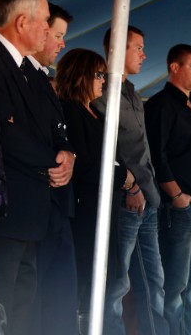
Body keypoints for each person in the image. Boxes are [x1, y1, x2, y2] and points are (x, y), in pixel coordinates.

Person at [0, 0, 76, 335]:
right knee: (1, 304)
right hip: (5, 208)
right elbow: (4, 129)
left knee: (21, 306)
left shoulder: (30, 71)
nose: (48, 31)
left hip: (30, 209)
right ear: (22, 21)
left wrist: (66, 154)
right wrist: (51, 159)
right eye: (45, 23)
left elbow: (49, 125)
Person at [92, 26, 169, 335]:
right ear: (117, 49)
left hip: (148, 197)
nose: (143, 54)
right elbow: (103, 147)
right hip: (125, 197)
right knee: (117, 281)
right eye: (137, 47)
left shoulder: (132, 92)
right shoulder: (101, 91)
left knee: (154, 280)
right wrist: (130, 185)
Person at [56, 48, 134, 333]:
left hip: (105, 208)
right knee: (84, 282)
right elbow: (87, 165)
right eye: (99, 74)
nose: (104, 80)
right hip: (86, 210)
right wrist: (125, 176)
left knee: (104, 282)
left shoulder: (95, 113)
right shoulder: (71, 111)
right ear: (81, 75)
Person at [145, 44, 191, 335]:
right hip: (179, 208)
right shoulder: (161, 104)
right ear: (174, 67)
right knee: (174, 285)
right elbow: (156, 155)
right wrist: (176, 196)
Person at [21, 2, 79, 335]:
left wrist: (68, 152)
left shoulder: (43, 79)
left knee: (59, 295)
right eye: (55, 34)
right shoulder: (18, 76)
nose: (60, 43)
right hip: (33, 204)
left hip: (57, 206)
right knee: (34, 300)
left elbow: (59, 132)